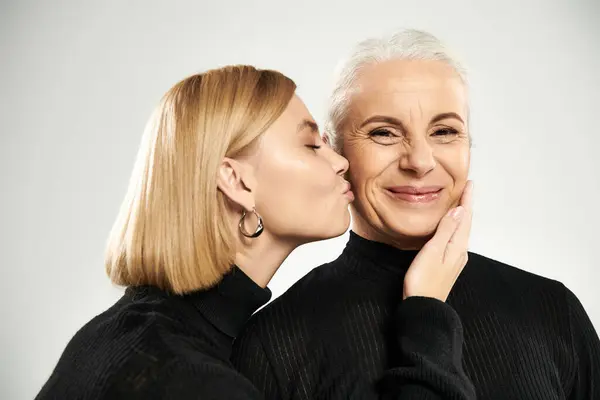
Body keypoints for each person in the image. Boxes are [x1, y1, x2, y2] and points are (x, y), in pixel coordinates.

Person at [35, 65, 476, 399]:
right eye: (311, 145)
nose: (340, 162)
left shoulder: (118, 334)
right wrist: (425, 314)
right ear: (237, 181)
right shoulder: (196, 382)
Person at [232, 30, 600, 400]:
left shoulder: (553, 311)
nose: (420, 162)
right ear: (334, 150)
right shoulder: (275, 341)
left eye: (444, 131)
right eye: (384, 133)